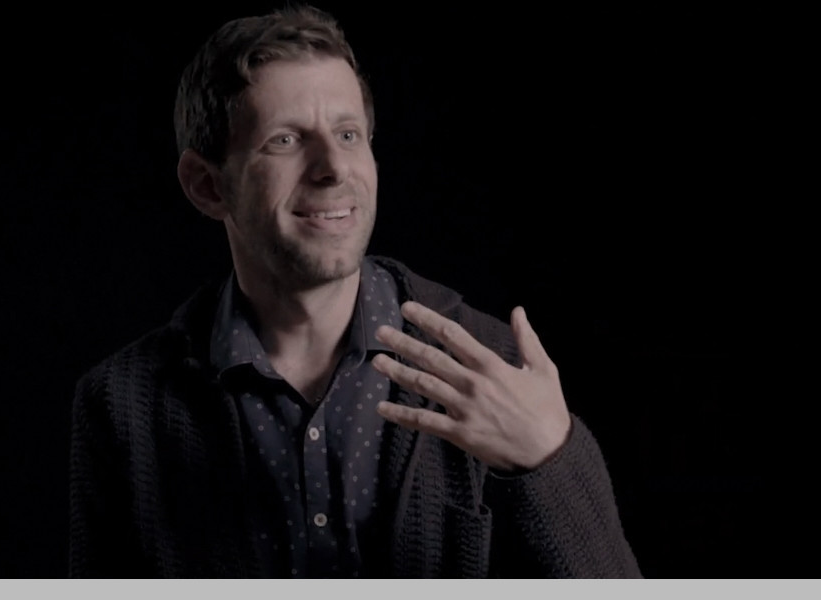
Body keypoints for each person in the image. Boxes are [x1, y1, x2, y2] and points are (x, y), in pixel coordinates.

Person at [69, 5, 640, 578]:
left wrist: (549, 460)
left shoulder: (492, 366)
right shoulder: (122, 405)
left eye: (347, 135)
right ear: (206, 185)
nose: (333, 168)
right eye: (286, 140)